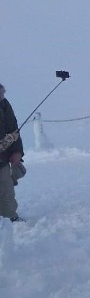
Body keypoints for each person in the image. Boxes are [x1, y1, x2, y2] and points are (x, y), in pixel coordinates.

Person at [0, 83, 25, 222]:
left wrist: (17, 151)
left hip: (2, 159)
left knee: (7, 189)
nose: (2, 97)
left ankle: (10, 218)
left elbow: (13, 129)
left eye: (3, 93)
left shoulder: (4, 105)